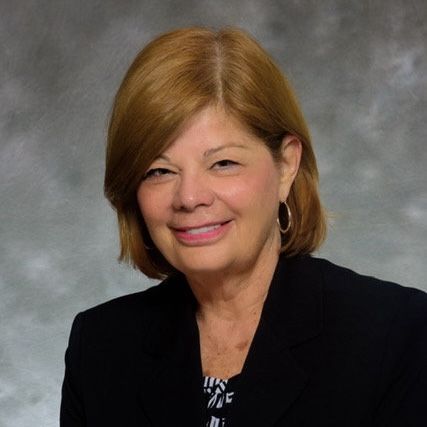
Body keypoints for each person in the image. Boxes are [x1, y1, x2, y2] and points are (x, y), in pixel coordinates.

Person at [60, 27, 427, 426]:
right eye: (159, 171)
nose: (189, 197)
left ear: (286, 165)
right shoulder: (99, 347)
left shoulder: (398, 335)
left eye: (223, 163)